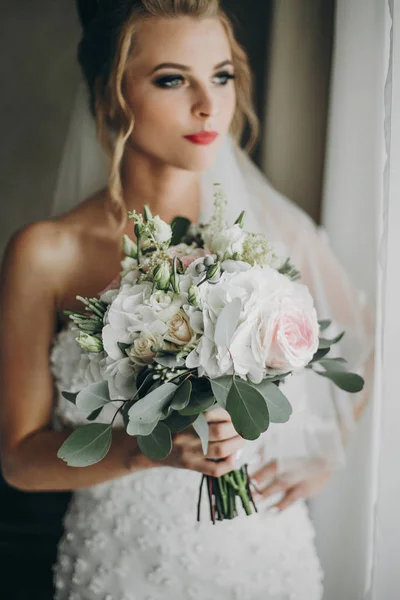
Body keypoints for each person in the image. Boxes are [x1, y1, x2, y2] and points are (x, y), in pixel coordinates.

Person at [0, 1, 374, 599]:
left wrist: (327, 456)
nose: (208, 105)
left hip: (263, 555)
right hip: (121, 563)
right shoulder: (46, 254)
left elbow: (361, 339)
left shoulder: (275, 235)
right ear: (109, 93)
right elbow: (20, 460)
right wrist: (144, 452)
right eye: (173, 79)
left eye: (221, 76)